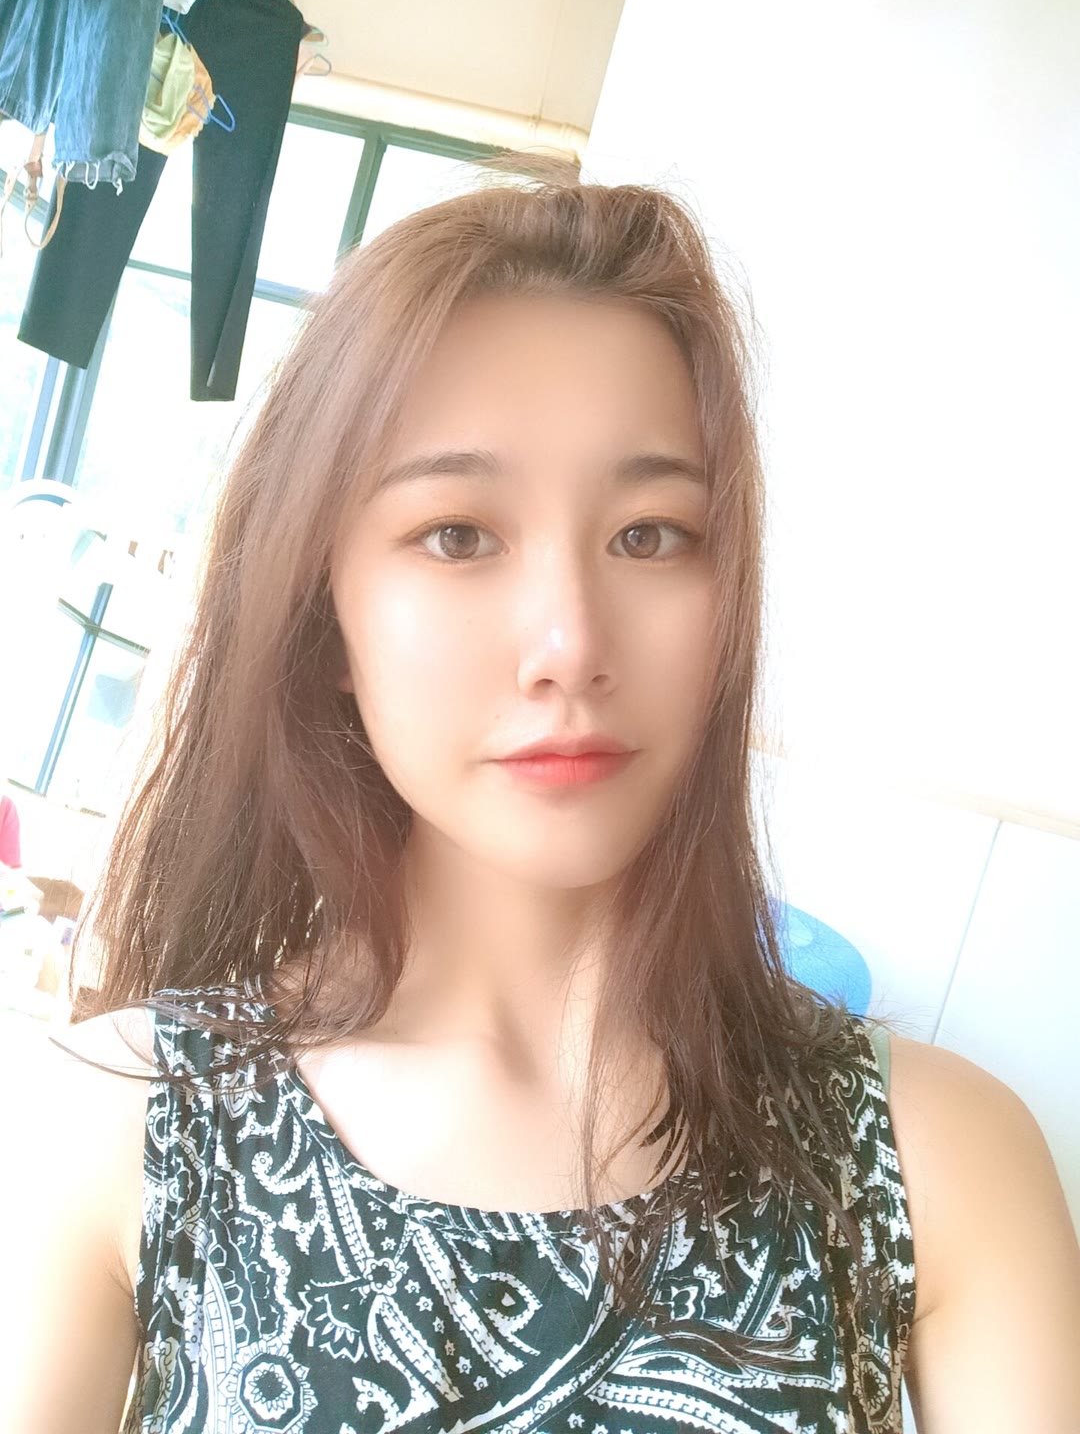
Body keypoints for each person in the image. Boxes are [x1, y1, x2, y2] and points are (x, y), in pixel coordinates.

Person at [5, 155, 1078, 1434]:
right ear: (323, 610)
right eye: (458, 534)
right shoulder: (121, 1123)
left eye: (650, 535)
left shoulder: (939, 1159)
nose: (570, 643)